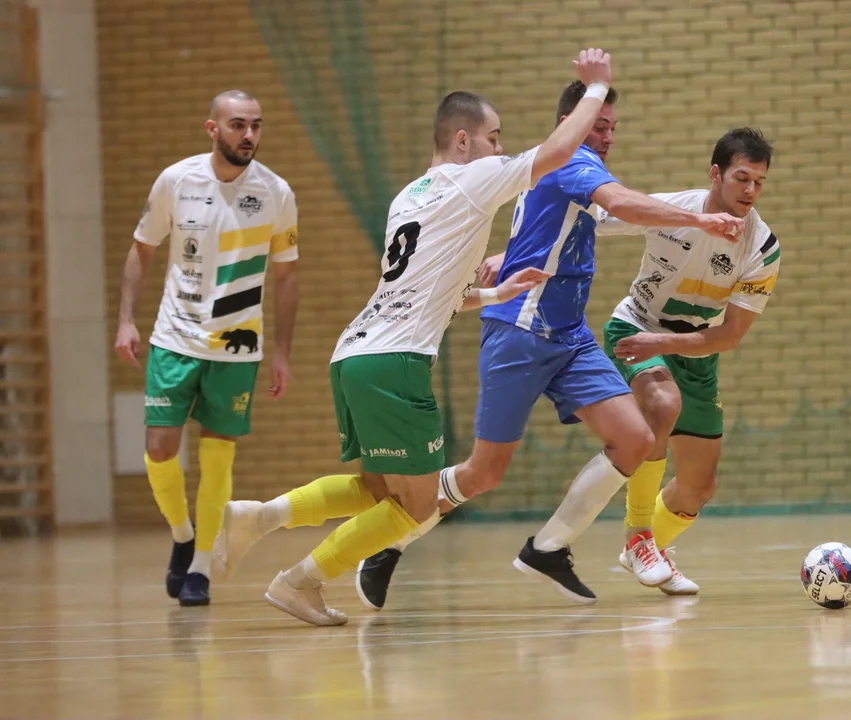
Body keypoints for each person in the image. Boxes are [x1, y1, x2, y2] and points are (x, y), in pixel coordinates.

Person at [211, 48, 618, 626]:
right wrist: (597, 89)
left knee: (379, 489)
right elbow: (556, 154)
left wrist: (499, 295)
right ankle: (300, 580)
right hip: (395, 363)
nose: (500, 150)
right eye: (494, 137)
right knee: (417, 506)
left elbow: (427, 294)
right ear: (462, 141)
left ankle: (261, 516)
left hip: (353, 354)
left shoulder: (410, 196)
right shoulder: (474, 178)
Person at [354, 82, 745, 610]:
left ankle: (549, 548)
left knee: (634, 437)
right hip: (520, 329)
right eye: (597, 125)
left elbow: (593, 218)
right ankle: (389, 542)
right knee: (484, 472)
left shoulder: (567, 171)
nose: (606, 136)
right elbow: (624, 206)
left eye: (612, 128)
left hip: (569, 335)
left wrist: (507, 251)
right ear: (574, 121)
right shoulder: (570, 161)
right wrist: (700, 218)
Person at [114, 89, 299, 606]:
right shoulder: (177, 181)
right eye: (238, 125)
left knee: (218, 460)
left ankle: (199, 570)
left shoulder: (276, 192)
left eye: (256, 126)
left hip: (237, 347)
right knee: (159, 449)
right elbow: (142, 250)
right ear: (212, 129)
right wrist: (126, 320)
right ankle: (181, 534)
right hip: (174, 338)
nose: (249, 136)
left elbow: (286, 278)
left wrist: (282, 352)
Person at [603, 127, 780, 595]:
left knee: (699, 488)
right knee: (662, 407)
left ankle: (649, 548)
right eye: (742, 178)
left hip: (691, 348)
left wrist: (664, 344)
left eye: (759, 183)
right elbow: (587, 222)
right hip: (636, 328)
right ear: (715, 174)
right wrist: (512, 254)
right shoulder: (670, 212)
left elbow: (728, 336)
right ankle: (639, 535)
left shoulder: (762, 247)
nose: (750, 191)